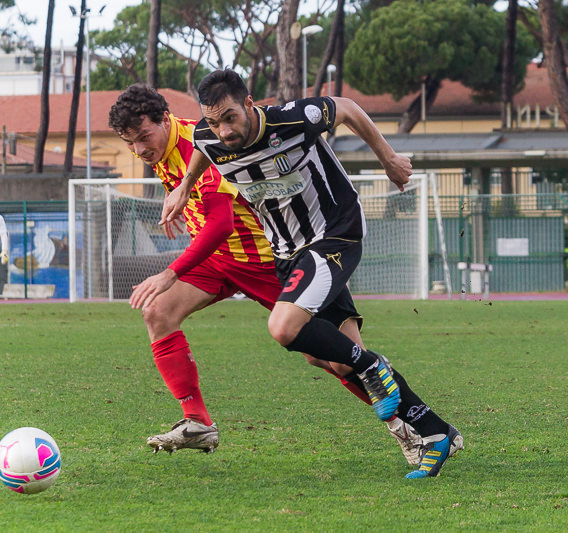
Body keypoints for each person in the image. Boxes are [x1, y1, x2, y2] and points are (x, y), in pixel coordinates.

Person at [164, 69, 463, 479]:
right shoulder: (209, 134)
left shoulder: (293, 118)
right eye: (215, 121)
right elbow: (202, 144)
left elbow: (349, 109)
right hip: (286, 252)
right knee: (332, 360)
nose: (224, 130)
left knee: (284, 327)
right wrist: (184, 187)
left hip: (334, 234)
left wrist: (389, 158)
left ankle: (374, 366)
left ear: (249, 104)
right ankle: (435, 431)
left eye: (230, 117)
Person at [108, 84, 424, 464]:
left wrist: (169, 273)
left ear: (165, 119)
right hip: (218, 263)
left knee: (334, 359)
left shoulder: (202, 140)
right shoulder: (163, 149)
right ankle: (197, 421)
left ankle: (414, 427)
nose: (140, 149)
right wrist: (179, 196)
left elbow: (222, 223)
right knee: (158, 312)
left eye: (143, 137)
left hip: (266, 259)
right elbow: (198, 199)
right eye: (130, 143)